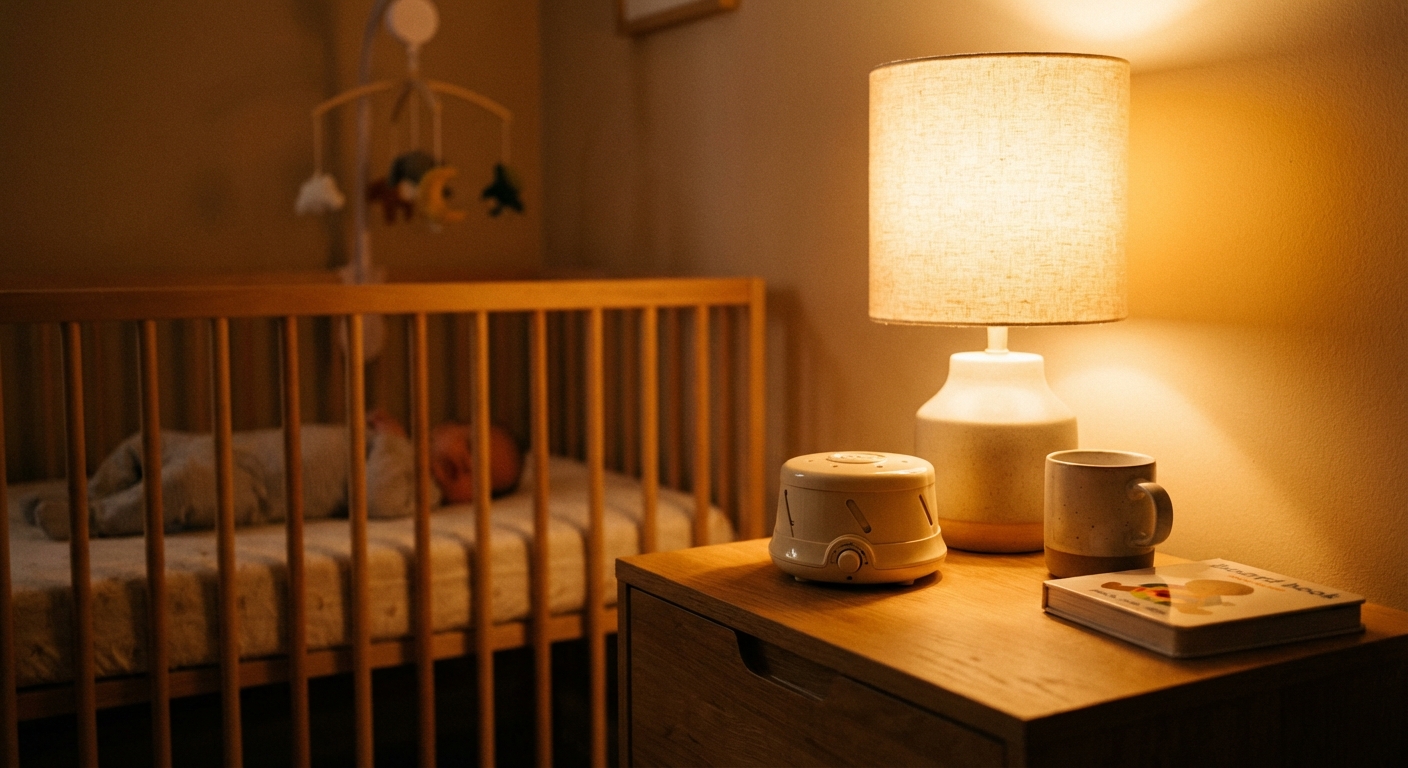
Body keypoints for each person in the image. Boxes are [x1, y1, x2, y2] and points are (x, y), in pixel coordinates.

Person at [27, 413, 523, 541]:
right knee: (144, 444)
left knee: (179, 486)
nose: (465, 465)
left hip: (257, 488)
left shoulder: (420, 493)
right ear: (444, 429)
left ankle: (94, 520)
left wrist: (390, 440)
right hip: (241, 447)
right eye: (470, 446)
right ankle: (89, 494)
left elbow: (377, 500)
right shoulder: (403, 449)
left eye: (478, 479)